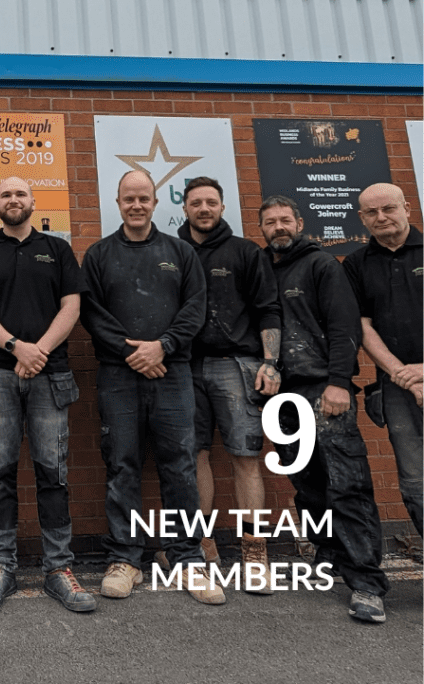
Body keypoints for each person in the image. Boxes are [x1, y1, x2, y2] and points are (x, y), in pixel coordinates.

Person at [81, 170, 224, 605]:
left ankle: (186, 559)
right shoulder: (99, 254)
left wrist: (162, 347)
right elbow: (92, 313)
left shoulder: (179, 252)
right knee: (121, 463)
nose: (137, 205)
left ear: (156, 201)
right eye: (129, 198)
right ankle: (125, 559)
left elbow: (195, 308)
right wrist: (134, 353)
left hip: (172, 373)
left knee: (179, 465)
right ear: (118, 202)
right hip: (119, 375)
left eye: (144, 198)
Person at [0, 176, 94, 613]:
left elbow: (71, 307)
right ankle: (1, 565)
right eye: (5, 194)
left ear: (34, 202)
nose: (13, 200)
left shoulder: (57, 250)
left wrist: (39, 351)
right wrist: (16, 347)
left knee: (52, 471)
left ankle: (59, 568)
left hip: (49, 374)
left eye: (21, 194)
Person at [259, 195, 389, 623]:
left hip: (324, 390)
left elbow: (344, 325)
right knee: (308, 483)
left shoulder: (320, 266)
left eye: (285, 220)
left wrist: (338, 383)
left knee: (346, 483)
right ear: (262, 229)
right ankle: (329, 554)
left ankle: (367, 581)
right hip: (283, 397)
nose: (278, 227)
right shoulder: (263, 268)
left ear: (300, 223)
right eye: (270, 222)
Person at [172, 176, 282, 591]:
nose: (204, 208)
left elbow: (269, 310)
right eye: (196, 202)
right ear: (184, 207)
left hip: (236, 365)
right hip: (183, 366)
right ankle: (203, 547)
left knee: (245, 456)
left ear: (222, 207)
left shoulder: (246, 252)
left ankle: (254, 553)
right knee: (194, 456)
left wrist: (271, 363)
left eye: (211, 202)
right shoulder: (172, 252)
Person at [342, 183, 422, 538]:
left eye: (388, 208)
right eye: (371, 213)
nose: (381, 217)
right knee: (415, 481)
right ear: (361, 218)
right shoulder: (357, 264)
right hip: (397, 387)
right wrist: (400, 373)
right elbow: (361, 325)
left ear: (406, 207)